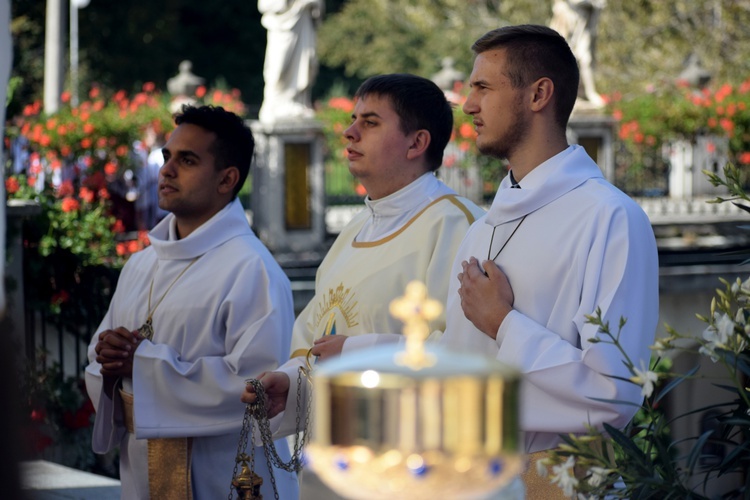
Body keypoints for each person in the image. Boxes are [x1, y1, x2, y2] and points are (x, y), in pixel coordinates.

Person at [242, 73, 485, 498]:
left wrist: (356, 353)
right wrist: (291, 384)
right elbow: (316, 342)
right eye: (353, 119)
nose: (349, 132)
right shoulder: (351, 233)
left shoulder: (455, 225)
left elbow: (466, 356)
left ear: (416, 143)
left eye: (370, 122)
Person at [445, 24, 658, 496]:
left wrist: (504, 324)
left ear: (539, 93)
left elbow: (614, 395)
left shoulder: (610, 218)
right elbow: (455, 365)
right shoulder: (483, 228)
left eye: (483, 87)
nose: (468, 104)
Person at [84, 105, 299, 499]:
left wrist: (143, 365)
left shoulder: (252, 269)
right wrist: (109, 362)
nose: (166, 170)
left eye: (187, 160)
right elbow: (98, 363)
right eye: (167, 157)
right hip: (142, 470)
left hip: (224, 475)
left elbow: (258, 391)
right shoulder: (141, 264)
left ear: (226, 179)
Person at [257, 0, 324, 123]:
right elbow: (265, 4)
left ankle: (297, 102)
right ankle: (275, 104)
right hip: (283, 24)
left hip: (304, 22)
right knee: (279, 67)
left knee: (306, 64)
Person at [549, 0, 606, 107]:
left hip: (583, 24)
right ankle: (564, 94)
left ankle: (589, 92)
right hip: (567, 21)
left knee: (585, 58)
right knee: (564, 58)